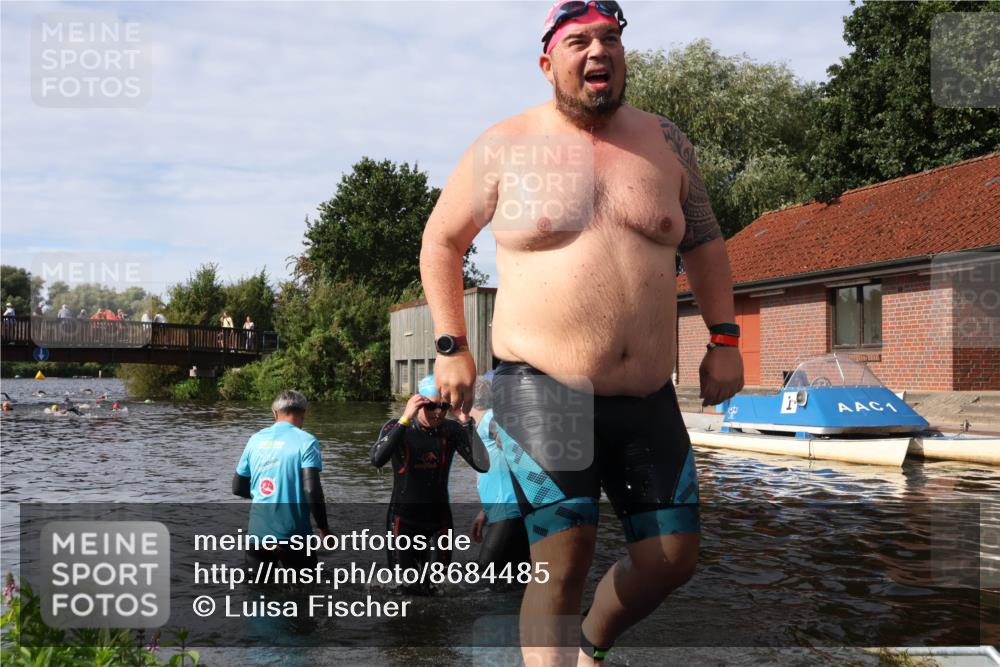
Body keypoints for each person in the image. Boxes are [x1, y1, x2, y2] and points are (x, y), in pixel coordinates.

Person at [418, 2, 744, 663]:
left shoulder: (665, 142)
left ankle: (593, 643)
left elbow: (706, 244)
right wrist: (452, 344)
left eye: (610, 39)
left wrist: (726, 339)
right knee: (563, 559)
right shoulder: (505, 144)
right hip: (543, 388)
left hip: (647, 392)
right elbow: (441, 240)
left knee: (672, 557)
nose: (599, 51)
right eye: (579, 42)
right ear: (548, 63)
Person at [369, 374, 489, 589]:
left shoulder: (451, 431)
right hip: (403, 522)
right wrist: (405, 418)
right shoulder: (397, 427)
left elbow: (482, 465)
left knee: (436, 588)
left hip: (439, 522)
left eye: (443, 407)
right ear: (418, 403)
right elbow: (377, 459)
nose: (438, 412)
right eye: (431, 406)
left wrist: (465, 422)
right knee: (406, 589)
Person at [232, 390, 329, 569]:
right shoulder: (307, 442)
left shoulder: (255, 440)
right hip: (294, 536)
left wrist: (267, 495)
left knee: (257, 591)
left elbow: (238, 487)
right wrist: (324, 529)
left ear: (274, 413)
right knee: (306, 593)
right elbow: (311, 490)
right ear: (304, 413)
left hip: (258, 536)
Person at [469, 373, 530, 571]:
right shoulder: (479, 425)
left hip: (509, 516)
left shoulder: (489, 419)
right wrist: (484, 512)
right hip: (506, 514)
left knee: (484, 578)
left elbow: (505, 432)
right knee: (512, 581)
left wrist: (505, 437)